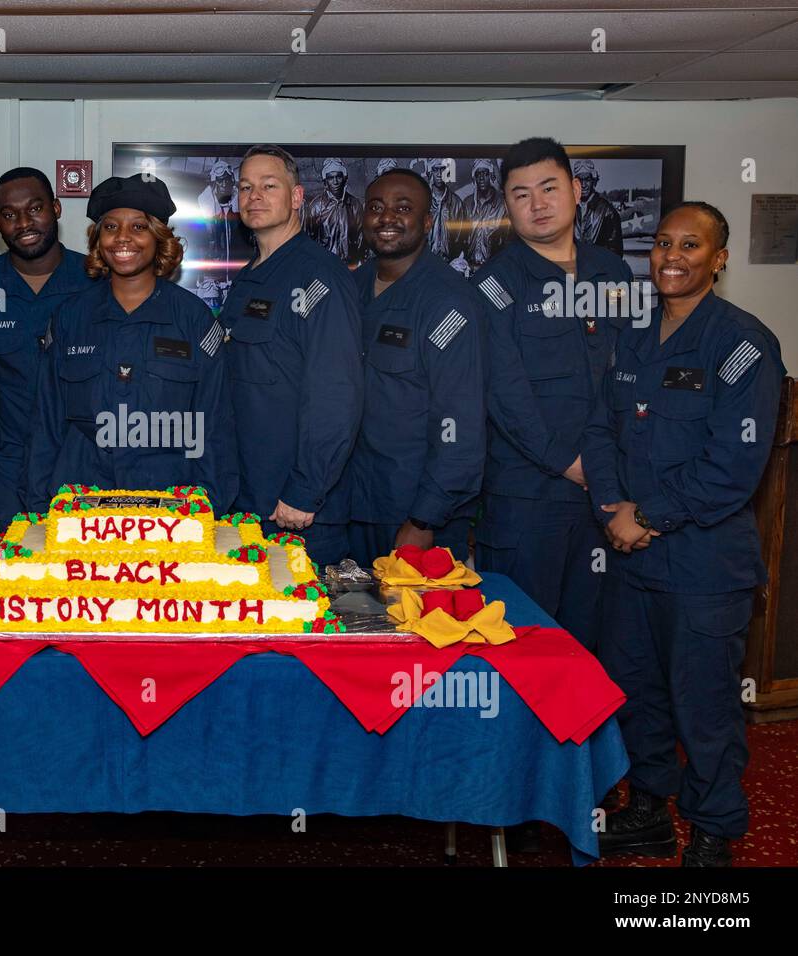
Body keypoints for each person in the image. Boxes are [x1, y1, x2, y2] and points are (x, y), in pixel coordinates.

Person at [583, 202, 784, 867]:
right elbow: (601, 430)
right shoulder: (633, 335)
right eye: (664, 242)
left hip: (702, 564)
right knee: (636, 689)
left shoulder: (743, 344)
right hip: (631, 556)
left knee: (704, 705)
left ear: (719, 260)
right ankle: (647, 812)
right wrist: (615, 505)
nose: (671, 255)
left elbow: (734, 466)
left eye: (691, 245)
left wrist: (647, 517)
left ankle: (711, 833)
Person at [471, 137, 633, 654]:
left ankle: (591, 740)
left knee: (596, 643)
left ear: (576, 190)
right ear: (507, 205)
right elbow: (504, 392)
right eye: (521, 194)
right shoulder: (495, 284)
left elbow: (629, 374)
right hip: (529, 499)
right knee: (524, 645)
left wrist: (611, 469)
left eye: (548, 188)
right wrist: (571, 463)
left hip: (609, 494)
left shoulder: (613, 273)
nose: (537, 204)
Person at [24, 174, 237, 510]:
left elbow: (213, 425)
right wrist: (37, 508)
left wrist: (210, 509)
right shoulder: (69, 317)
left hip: (168, 503)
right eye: (110, 227)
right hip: (79, 500)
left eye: (138, 227)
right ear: (97, 239)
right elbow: (46, 422)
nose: (122, 238)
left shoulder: (194, 320)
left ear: (158, 238)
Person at [218, 144, 364, 566]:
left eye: (268, 185)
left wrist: (305, 489)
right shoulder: (249, 278)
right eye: (246, 187)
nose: (254, 196)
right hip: (247, 500)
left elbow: (336, 393)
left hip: (298, 511)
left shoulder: (321, 277)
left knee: (298, 627)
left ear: (297, 197)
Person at [348, 168, 485, 566]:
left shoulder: (448, 301)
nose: (387, 218)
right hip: (353, 503)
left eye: (403, 208)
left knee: (419, 626)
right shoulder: (350, 290)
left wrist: (424, 518)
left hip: (414, 513)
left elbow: (460, 423)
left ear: (427, 221)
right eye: (376, 207)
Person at [0, 167, 94, 533]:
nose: (23, 222)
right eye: (9, 214)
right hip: (5, 469)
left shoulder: (96, 279)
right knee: (0, 579)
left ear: (56, 208)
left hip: (82, 464)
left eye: (35, 208)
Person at [302, 157, 367, 266]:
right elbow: (308, 241)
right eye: (331, 178)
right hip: (324, 266)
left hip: (350, 267)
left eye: (338, 177)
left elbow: (361, 238)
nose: (335, 181)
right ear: (325, 182)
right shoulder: (317, 206)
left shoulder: (354, 204)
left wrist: (360, 264)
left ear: (345, 178)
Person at [573, 159, 625, 259]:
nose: (583, 185)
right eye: (580, 180)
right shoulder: (568, 208)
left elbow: (615, 252)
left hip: (597, 271)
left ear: (593, 181)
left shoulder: (607, 211)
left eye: (587, 179)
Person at [465, 158, 510, 270]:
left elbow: (507, 239)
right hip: (470, 267)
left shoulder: (502, 205)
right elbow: (460, 237)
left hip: (494, 267)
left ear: (490, 175)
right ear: (474, 177)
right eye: (478, 173)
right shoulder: (467, 203)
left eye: (485, 173)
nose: (481, 177)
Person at [423, 157, 470, 264]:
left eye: (442, 169)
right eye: (435, 169)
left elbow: (462, 237)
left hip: (449, 263)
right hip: (424, 263)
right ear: (430, 172)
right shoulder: (422, 200)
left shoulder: (456, 203)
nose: (439, 174)